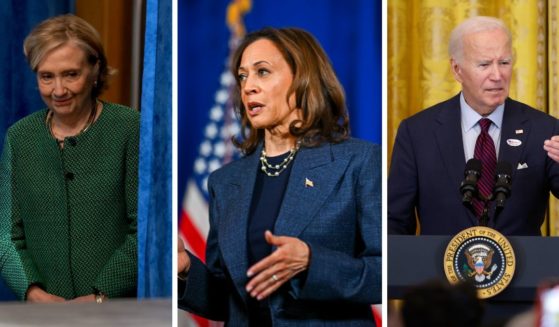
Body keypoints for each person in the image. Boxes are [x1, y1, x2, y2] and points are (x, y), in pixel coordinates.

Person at [178, 27, 381, 326]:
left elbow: (383, 273)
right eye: (243, 76)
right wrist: (186, 271)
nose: (248, 87)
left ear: (303, 79)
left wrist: (313, 262)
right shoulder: (225, 181)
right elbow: (228, 300)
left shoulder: (357, 162)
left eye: (262, 72)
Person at [0, 14, 138, 302]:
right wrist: (35, 294)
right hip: (40, 314)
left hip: (117, 313)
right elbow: (7, 236)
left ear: (95, 69)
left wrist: (101, 296)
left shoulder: (129, 128)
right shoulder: (20, 137)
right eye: (46, 76)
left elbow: (144, 229)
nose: (58, 90)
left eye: (71, 74)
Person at [388, 16, 559, 235]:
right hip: (437, 267)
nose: (497, 75)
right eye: (484, 64)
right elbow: (395, 222)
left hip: (524, 267)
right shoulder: (417, 133)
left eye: (504, 63)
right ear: (457, 69)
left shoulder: (544, 130)